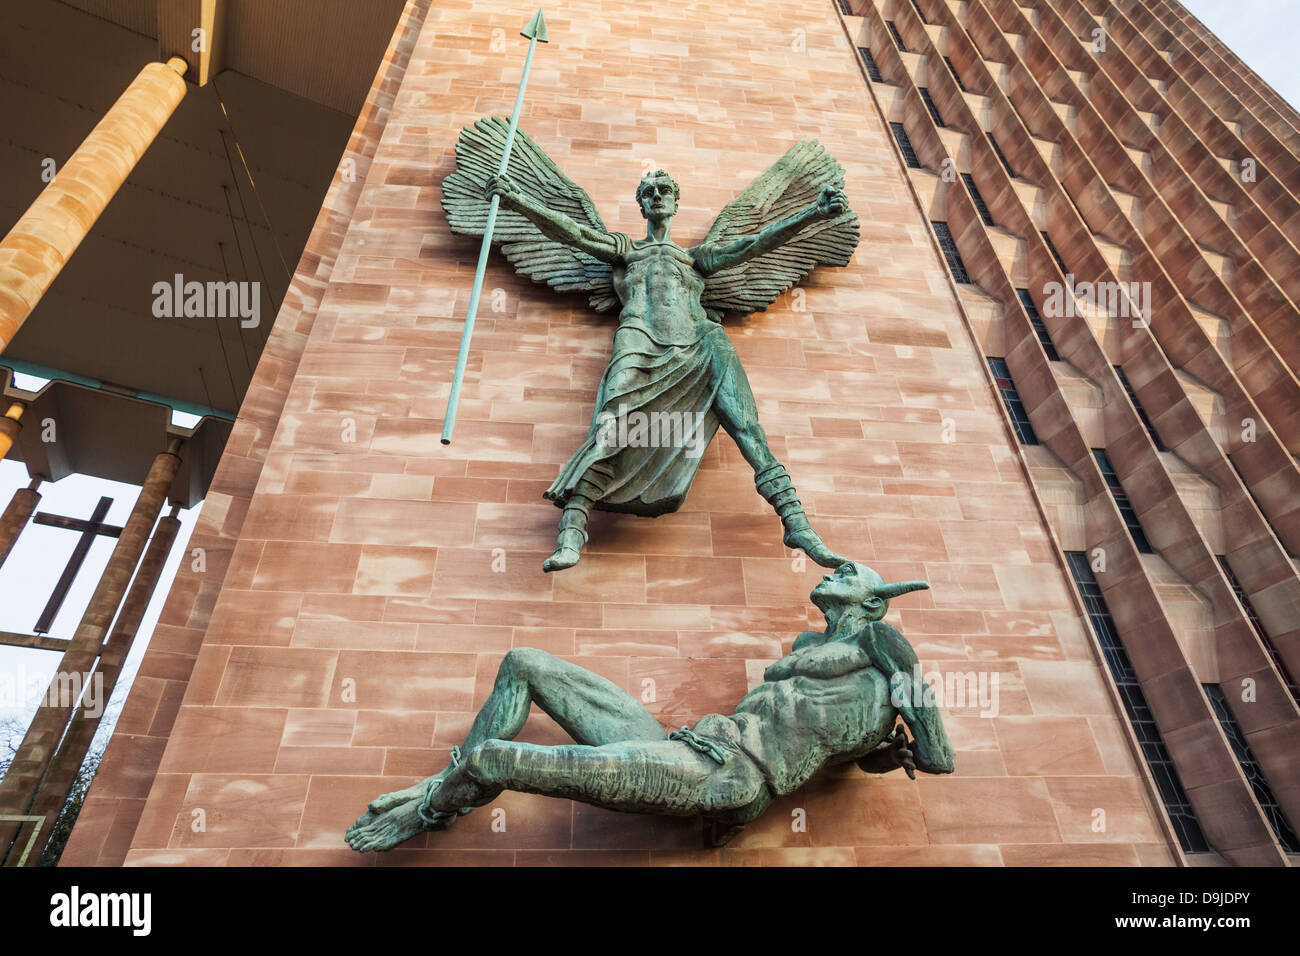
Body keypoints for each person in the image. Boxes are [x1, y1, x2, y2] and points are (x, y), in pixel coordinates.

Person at [346, 561, 953, 853]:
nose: (835, 569)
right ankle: (444, 785)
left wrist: (899, 739)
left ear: (874, 602)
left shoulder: (883, 644)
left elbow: (937, 755)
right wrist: (876, 744)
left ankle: (424, 809)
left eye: (849, 572)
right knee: (525, 663)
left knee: (501, 760)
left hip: (727, 775)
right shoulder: (808, 648)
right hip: (684, 746)